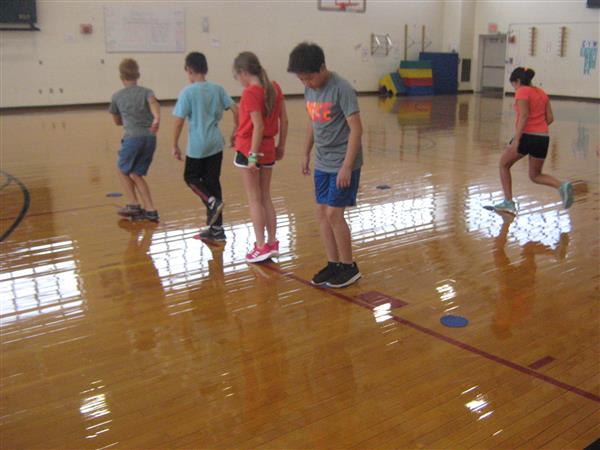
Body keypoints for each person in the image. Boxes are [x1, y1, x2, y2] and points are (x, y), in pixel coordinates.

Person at [287, 42, 362, 288]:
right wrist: (306, 153)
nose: (306, 83)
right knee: (321, 213)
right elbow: (313, 122)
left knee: (333, 213)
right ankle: (333, 264)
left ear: (322, 68)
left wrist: (347, 167)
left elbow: (357, 130)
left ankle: (349, 267)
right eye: (302, 80)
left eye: (309, 78)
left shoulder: (342, 89)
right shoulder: (311, 91)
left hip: (343, 163)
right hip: (322, 161)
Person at [173, 52, 238, 241]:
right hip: (215, 143)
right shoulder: (218, 89)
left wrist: (174, 144)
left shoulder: (188, 92)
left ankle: (211, 202)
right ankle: (217, 231)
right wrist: (235, 131)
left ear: (190, 70)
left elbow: (178, 122)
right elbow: (236, 110)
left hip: (198, 146)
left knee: (191, 178)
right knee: (212, 183)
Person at [232, 51, 288, 263]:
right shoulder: (275, 87)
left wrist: (252, 157)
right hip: (269, 146)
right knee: (266, 196)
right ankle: (272, 242)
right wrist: (281, 145)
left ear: (244, 72)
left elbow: (258, 126)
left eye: (238, 76)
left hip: (250, 149)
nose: (239, 81)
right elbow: (285, 120)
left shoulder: (250, 93)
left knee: (254, 199)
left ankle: (260, 246)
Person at [495, 67, 573, 215]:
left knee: (503, 165)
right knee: (535, 175)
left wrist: (517, 140)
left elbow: (524, 116)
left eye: (514, 85)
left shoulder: (522, 91)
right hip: (542, 137)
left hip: (526, 136)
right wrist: (539, 128)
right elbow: (550, 118)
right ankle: (561, 186)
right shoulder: (541, 93)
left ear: (517, 81)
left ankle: (508, 202)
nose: (514, 88)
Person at [109, 58, 160, 222]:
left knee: (121, 170)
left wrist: (129, 119)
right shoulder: (147, 92)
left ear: (121, 76)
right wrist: (156, 118)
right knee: (136, 174)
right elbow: (153, 104)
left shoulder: (117, 96)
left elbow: (117, 121)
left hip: (132, 138)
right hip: (150, 138)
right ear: (137, 74)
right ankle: (151, 209)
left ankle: (133, 204)